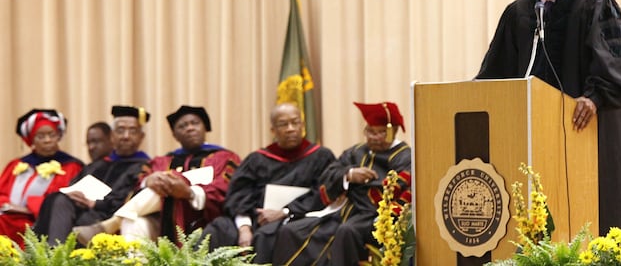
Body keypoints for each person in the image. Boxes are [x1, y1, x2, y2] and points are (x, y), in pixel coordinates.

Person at [476, 0, 621, 233]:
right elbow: (494, 73)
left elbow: (615, 64)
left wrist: (594, 97)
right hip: (534, 133)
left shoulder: (595, 0)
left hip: (584, 127)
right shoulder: (518, 13)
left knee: (592, 213)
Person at [74, 105, 241, 243]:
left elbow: (226, 190)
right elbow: (136, 187)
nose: (189, 128)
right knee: (134, 221)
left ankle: (109, 225)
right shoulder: (161, 161)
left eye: (194, 123)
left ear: (205, 128)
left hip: (204, 220)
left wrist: (188, 192)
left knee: (164, 182)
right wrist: (148, 180)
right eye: (182, 126)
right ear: (175, 135)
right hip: (162, 223)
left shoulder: (224, 158)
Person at [272, 101, 412, 265]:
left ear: (392, 131)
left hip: (374, 216)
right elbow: (329, 174)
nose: (373, 137)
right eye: (369, 132)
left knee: (346, 231)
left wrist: (365, 185)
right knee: (291, 230)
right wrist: (349, 175)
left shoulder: (404, 156)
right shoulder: (356, 151)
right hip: (343, 210)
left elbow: (399, 188)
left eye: (379, 132)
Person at [202, 102, 336, 264]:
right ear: (273, 130)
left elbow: (322, 194)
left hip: (298, 217)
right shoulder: (257, 159)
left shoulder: (321, 156)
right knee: (218, 229)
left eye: (295, 122)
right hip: (256, 217)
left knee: (267, 235)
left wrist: (285, 212)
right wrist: (244, 227)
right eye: (283, 124)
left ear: (303, 125)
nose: (290, 128)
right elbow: (238, 195)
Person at [33, 105, 151, 245]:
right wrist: (73, 194)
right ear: (112, 135)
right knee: (56, 199)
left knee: (81, 220)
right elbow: (73, 186)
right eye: (120, 130)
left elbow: (131, 202)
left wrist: (96, 203)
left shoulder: (144, 168)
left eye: (132, 131)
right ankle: (49, 256)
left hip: (108, 218)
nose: (126, 136)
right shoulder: (97, 165)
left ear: (141, 137)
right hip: (78, 210)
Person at [0, 109, 84, 246]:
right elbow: (1, 192)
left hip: (40, 222)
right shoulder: (17, 165)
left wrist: (28, 208)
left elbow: (62, 201)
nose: (47, 140)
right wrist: (7, 205)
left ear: (59, 136)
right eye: (41, 136)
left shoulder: (71, 167)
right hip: (9, 218)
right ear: (31, 140)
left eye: (52, 135)